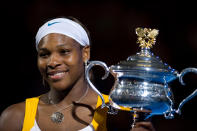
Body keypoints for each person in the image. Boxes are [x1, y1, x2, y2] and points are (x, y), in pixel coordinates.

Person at [0, 17, 155, 131]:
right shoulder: (15, 116)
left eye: (64, 52)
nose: (52, 62)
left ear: (85, 53)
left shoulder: (117, 114)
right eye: (44, 54)